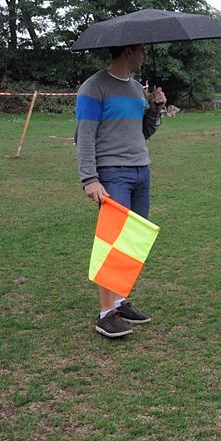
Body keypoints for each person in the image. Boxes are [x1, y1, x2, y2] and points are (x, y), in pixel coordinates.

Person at [75, 43, 165, 338]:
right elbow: (84, 136)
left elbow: (143, 132)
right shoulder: (93, 87)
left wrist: (155, 109)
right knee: (112, 240)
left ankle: (120, 300)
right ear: (128, 52)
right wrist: (90, 178)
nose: (144, 56)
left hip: (141, 170)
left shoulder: (137, 89)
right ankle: (106, 314)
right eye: (141, 51)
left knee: (132, 240)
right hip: (113, 174)